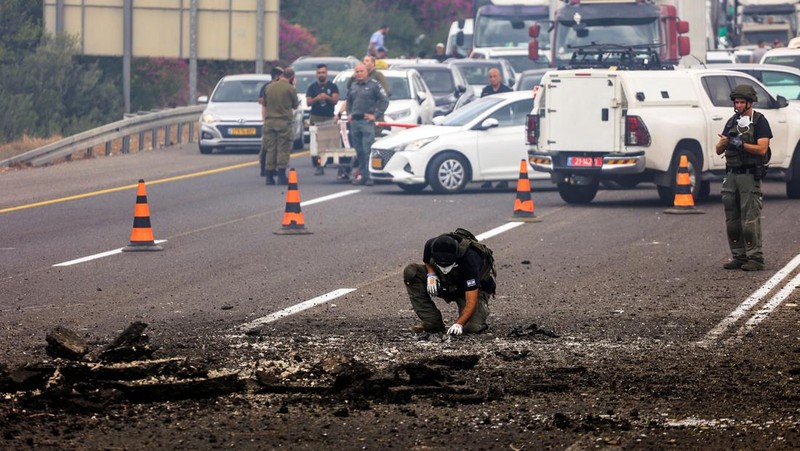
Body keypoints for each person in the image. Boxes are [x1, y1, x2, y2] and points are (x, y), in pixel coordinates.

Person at [715, 84, 772, 271]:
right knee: (732, 219)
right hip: (731, 175)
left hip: (749, 176)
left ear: (749, 103)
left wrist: (740, 144)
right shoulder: (732, 122)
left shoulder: (760, 121)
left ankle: (755, 258)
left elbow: (762, 149)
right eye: (736, 102)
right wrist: (724, 143)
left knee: (750, 220)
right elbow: (717, 150)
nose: (738, 105)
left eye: (741, 102)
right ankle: (738, 256)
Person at [403, 229, 495, 335]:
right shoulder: (430, 246)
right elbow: (427, 261)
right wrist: (431, 274)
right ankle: (432, 322)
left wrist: (459, 324)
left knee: (471, 327)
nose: (444, 269)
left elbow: (471, 300)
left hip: (468, 289)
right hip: (445, 282)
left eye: (448, 265)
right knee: (412, 272)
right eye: (441, 265)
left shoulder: (470, 260)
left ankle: (475, 317)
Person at [341, 63, 388, 186]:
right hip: (355, 122)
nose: (359, 74)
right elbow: (349, 101)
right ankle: (363, 175)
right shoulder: (353, 85)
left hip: (366, 121)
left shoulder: (374, 85)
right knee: (359, 151)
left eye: (361, 71)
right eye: (357, 71)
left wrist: (375, 115)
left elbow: (384, 101)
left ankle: (370, 176)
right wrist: (349, 113)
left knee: (368, 150)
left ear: (366, 72)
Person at [263, 67, 299, 186]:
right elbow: (295, 105)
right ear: (292, 78)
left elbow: (265, 104)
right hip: (283, 123)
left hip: (269, 123)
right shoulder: (290, 89)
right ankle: (281, 176)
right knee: (283, 149)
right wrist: (293, 87)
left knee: (271, 149)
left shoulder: (268, 87)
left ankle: (269, 176)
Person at [480, 68, 513, 189]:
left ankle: (503, 180)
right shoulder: (486, 91)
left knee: (502, 153)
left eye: (495, 76)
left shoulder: (507, 91)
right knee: (487, 153)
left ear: (500, 77)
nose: (493, 79)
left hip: (502, 125)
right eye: (490, 77)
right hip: (487, 126)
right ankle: (488, 180)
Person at [306, 64, 339, 175]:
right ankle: (318, 165)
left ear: (326, 73)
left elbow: (335, 100)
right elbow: (308, 102)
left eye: (323, 72)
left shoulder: (332, 86)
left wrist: (327, 97)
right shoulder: (312, 87)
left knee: (329, 141)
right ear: (316, 74)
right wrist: (317, 98)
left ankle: (330, 162)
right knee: (316, 142)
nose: (321, 75)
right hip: (316, 117)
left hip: (329, 117)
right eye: (319, 73)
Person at [258, 66, 283, 177]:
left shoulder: (282, 87)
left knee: (276, 147)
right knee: (266, 147)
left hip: (274, 120)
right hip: (269, 120)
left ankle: (273, 168)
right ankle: (264, 168)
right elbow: (262, 102)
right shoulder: (267, 87)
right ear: (277, 76)